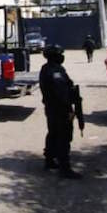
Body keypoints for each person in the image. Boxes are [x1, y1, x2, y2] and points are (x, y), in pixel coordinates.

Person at [40, 44, 81, 179]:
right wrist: (69, 108)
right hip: (59, 109)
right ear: (55, 56)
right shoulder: (55, 71)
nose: (62, 57)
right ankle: (65, 167)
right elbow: (61, 93)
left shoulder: (46, 68)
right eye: (60, 54)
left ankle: (49, 160)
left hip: (51, 108)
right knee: (63, 137)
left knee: (53, 133)